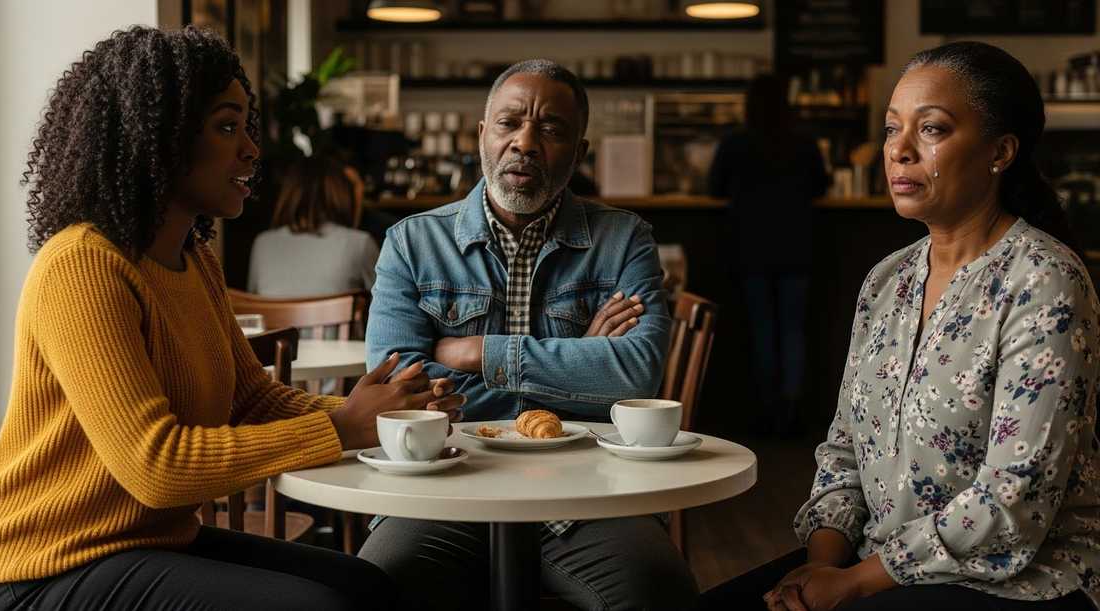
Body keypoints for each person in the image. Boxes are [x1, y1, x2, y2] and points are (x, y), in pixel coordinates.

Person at [0, 26, 464, 610]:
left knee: (367, 585)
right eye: (227, 126)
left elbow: (252, 400)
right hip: (46, 568)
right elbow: (155, 467)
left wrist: (385, 415)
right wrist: (344, 427)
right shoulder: (83, 265)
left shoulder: (193, 260)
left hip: (147, 543)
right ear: (158, 139)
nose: (251, 150)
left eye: (245, 127)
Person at [700, 41, 1100, 611]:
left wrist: (853, 583)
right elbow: (842, 453)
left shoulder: (1044, 282)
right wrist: (819, 567)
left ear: (1001, 151)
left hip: (1020, 581)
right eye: (891, 129)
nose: (899, 152)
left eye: (931, 129)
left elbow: (1014, 499)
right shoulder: (888, 280)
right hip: (878, 562)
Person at [358, 59, 699, 610]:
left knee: (660, 593)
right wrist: (585, 359)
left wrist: (478, 353)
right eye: (509, 123)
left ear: (579, 153)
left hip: (589, 491)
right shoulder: (410, 243)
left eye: (551, 129)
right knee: (376, 589)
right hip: (444, 486)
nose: (526, 142)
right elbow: (400, 388)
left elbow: (638, 373)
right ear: (481, 136)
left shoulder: (625, 239)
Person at [707, 74, 829, 435]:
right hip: (797, 246)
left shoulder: (736, 142)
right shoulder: (804, 142)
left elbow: (714, 188)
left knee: (762, 329)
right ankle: (790, 411)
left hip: (751, 248)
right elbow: (820, 186)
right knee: (793, 331)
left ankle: (765, 409)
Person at [249, 154, 380, 296]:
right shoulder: (360, 243)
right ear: (341, 193)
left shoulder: (263, 243)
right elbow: (389, 309)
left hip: (274, 319)